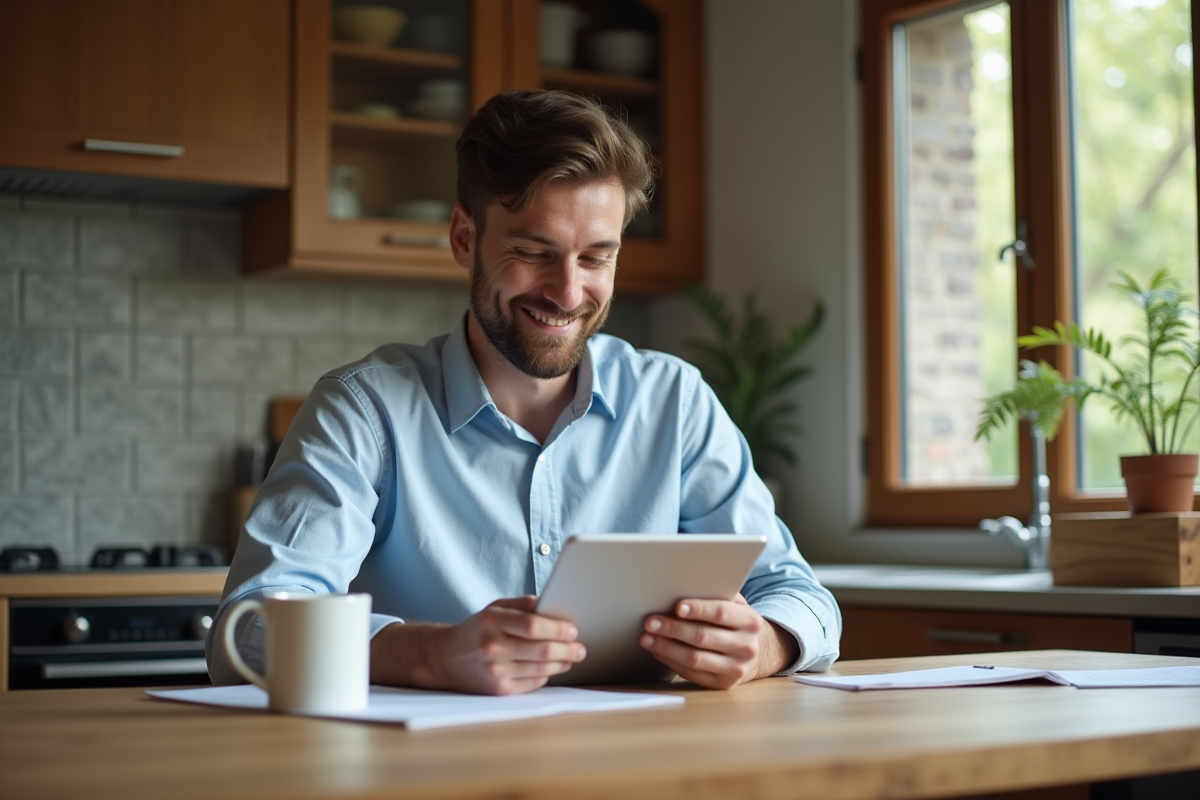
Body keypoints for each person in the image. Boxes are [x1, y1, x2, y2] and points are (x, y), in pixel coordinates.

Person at [207, 89, 841, 695]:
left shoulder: (674, 400)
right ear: (464, 239)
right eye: (534, 252)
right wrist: (432, 654)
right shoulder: (363, 410)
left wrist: (764, 644)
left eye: (596, 258)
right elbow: (248, 632)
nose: (568, 293)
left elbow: (800, 595)